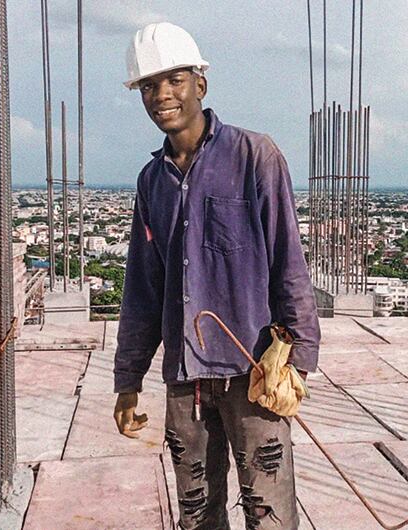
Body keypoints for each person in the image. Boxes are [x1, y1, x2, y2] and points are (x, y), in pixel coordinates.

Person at [112, 22, 321, 530]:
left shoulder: (254, 156)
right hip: (186, 377)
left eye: (174, 80)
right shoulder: (152, 181)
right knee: (196, 513)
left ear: (200, 85)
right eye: (149, 85)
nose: (162, 95)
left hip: (251, 370)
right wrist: (128, 379)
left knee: (267, 510)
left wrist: (298, 355)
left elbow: (287, 259)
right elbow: (144, 287)